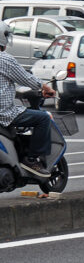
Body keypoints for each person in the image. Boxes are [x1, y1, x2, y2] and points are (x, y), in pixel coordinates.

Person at [0, 22, 56, 177]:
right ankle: (31, 159)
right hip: (4, 114)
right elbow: (26, 79)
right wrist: (45, 88)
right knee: (43, 118)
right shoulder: (5, 59)